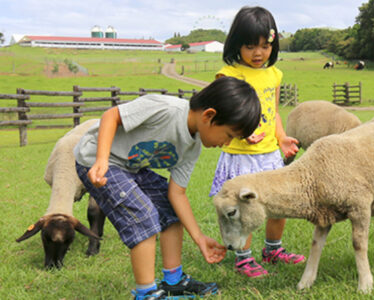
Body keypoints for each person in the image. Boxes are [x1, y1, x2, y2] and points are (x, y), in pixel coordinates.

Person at [74, 76, 261, 299]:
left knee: (168, 207)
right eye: (229, 135)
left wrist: (199, 237)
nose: (227, 143)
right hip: (96, 160)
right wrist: (101, 160)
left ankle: (173, 280)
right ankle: (146, 293)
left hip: (131, 166)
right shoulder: (165, 108)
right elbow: (111, 116)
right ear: (209, 116)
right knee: (142, 213)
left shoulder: (192, 147)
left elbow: (177, 194)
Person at [209, 6, 305, 278]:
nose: (258, 53)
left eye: (264, 46)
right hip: (241, 154)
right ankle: (243, 257)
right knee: (244, 208)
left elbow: (272, 112)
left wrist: (282, 137)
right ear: (237, 44)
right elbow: (221, 116)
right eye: (250, 46)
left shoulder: (274, 75)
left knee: (280, 202)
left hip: (269, 153)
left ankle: (273, 249)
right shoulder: (228, 76)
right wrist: (241, 131)